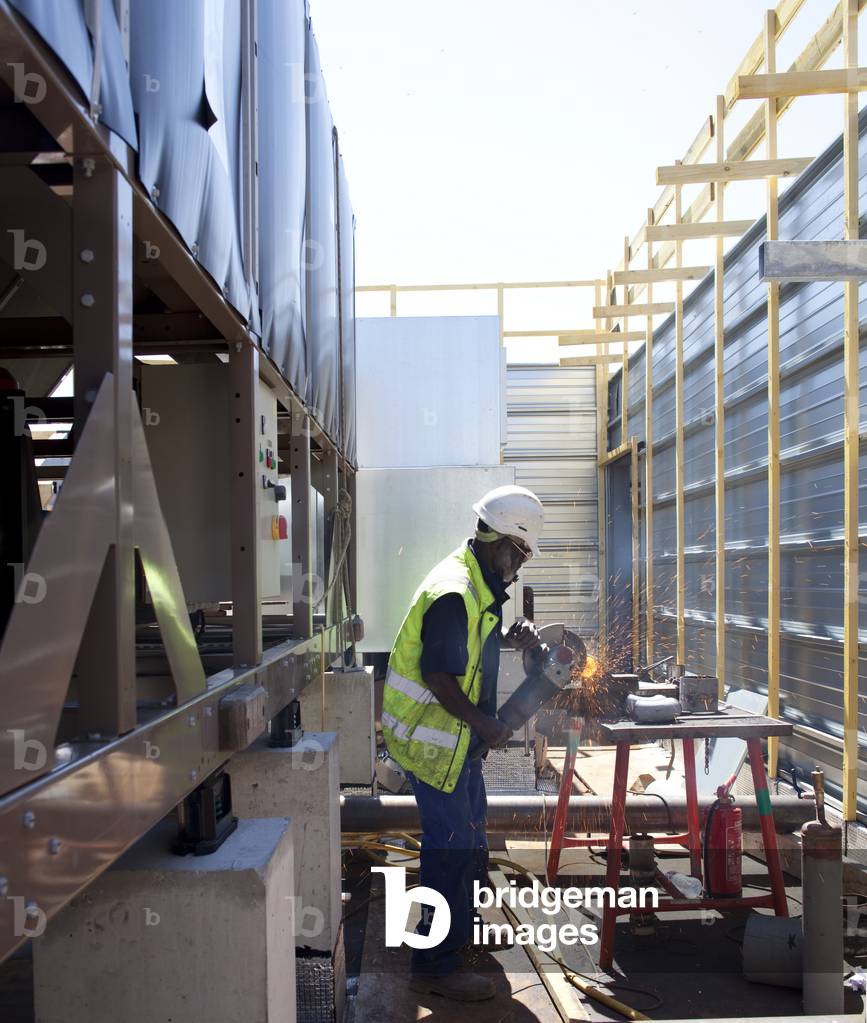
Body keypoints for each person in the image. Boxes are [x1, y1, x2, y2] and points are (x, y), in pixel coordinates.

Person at [381, 484, 545, 1002]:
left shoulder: (476, 583)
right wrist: (485, 724)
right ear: (504, 543)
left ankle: (461, 931)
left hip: (457, 744)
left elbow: (470, 647)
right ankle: (435, 965)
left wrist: (507, 639)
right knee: (450, 850)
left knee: (471, 838)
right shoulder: (455, 591)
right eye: (519, 554)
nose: (517, 567)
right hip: (434, 744)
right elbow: (439, 675)